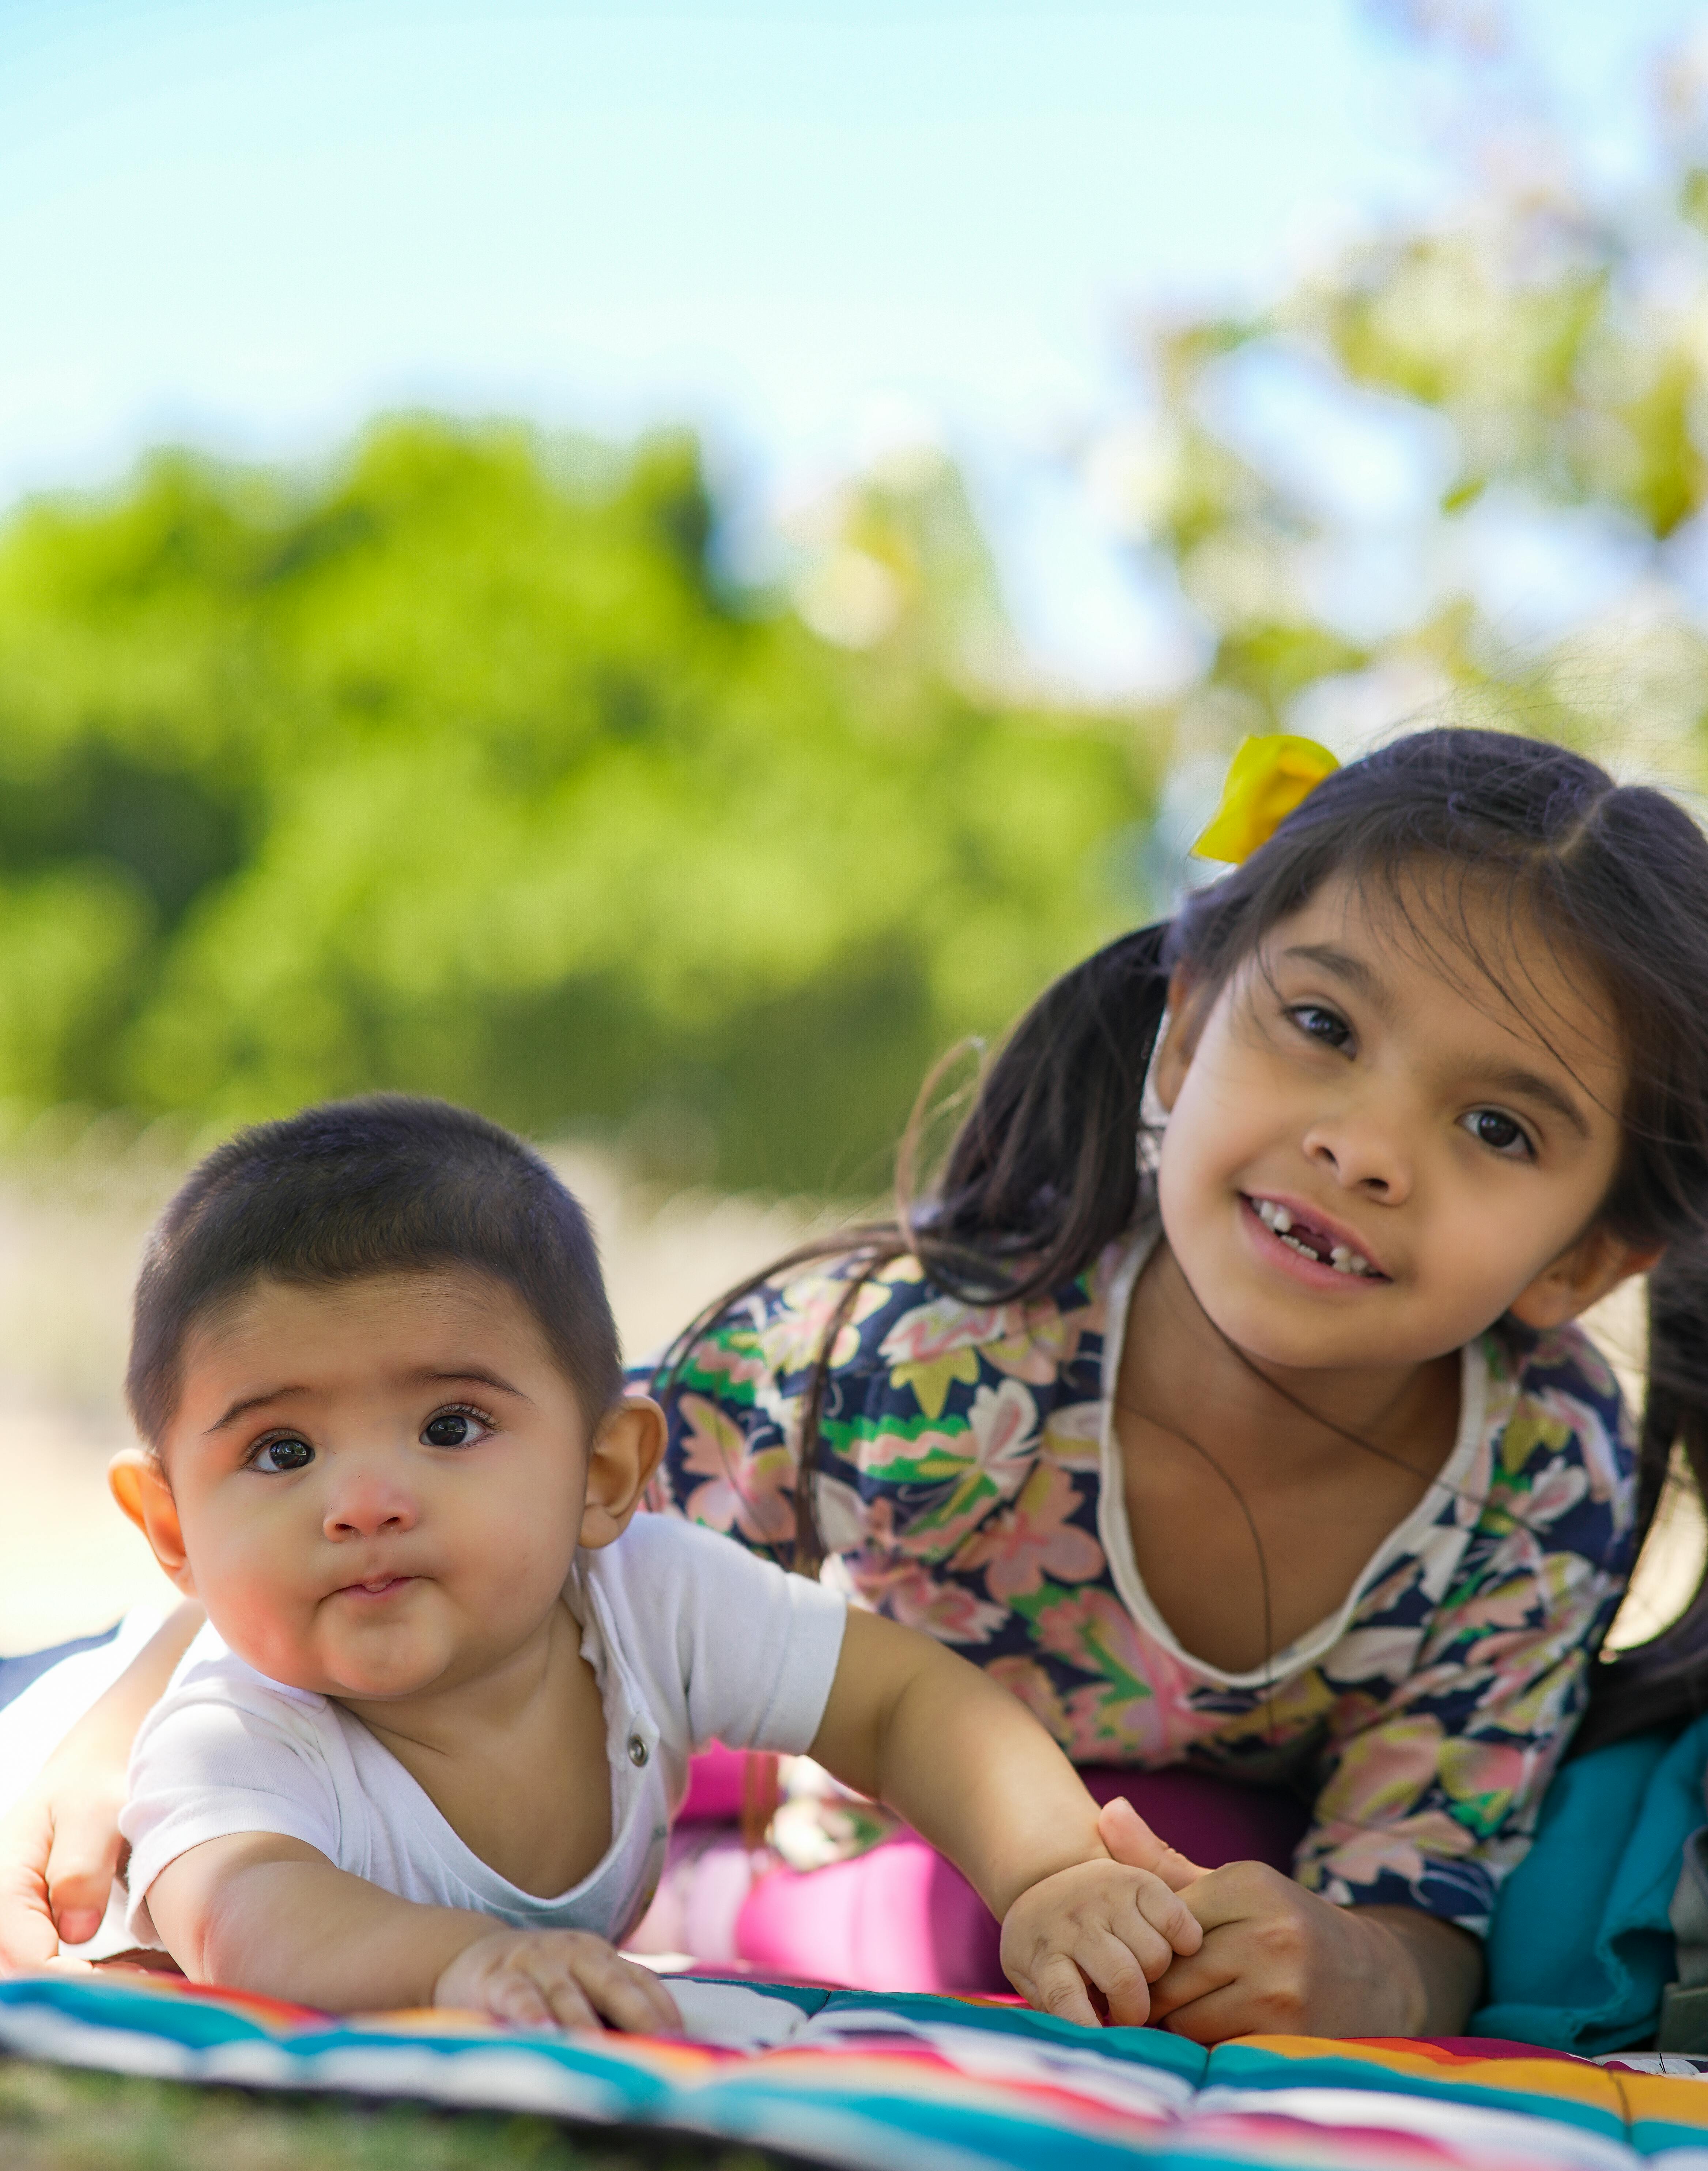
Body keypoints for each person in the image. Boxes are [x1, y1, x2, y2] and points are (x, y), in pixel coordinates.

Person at [637, 727, 1708, 2042]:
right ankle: (707, 1894)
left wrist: (1355, 1969)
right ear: (1189, 1028)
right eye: (1322, 1025)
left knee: (1194, 1879)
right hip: (834, 1803)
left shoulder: (1542, 1478)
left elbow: (1427, 1898)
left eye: (1499, 1128)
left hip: (1197, 1837)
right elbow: (547, 1589)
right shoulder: (913, 1368)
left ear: (1588, 1258)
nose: (1364, 1148)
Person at [0, 1095, 1203, 2031]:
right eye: (282, 1449)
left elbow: (900, 1699)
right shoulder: (234, 1731)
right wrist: (464, 1968)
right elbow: (255, 1923)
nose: (364, 1503)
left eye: (450, 1427)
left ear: (606, 1474)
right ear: (171, 1531)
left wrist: (1047, 1873)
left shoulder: (649, 1597)